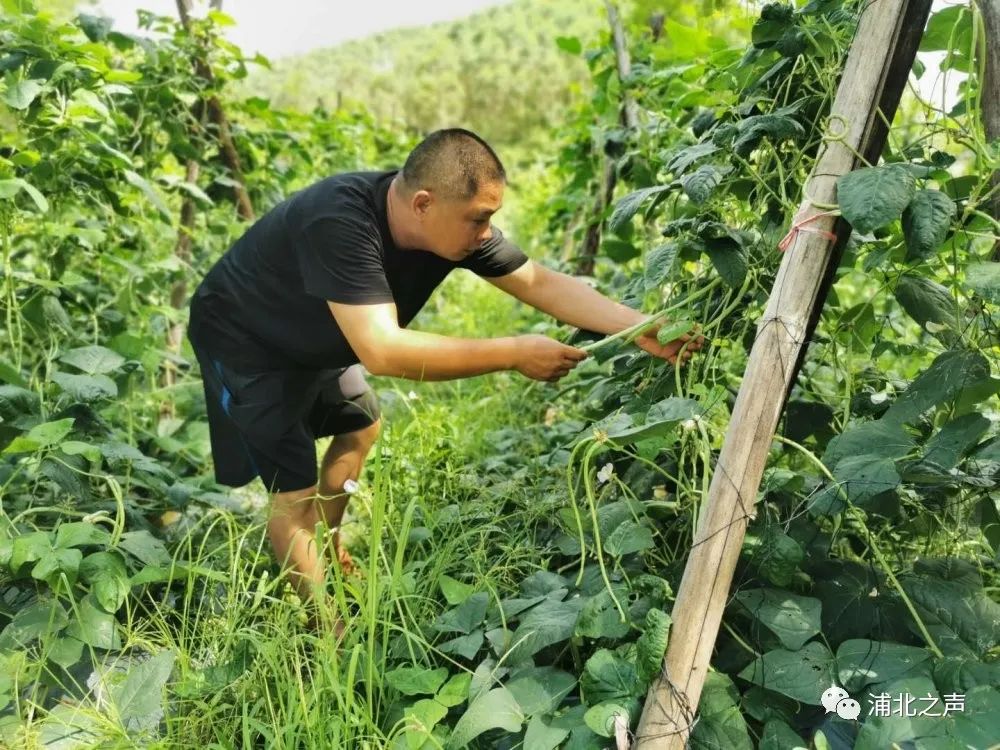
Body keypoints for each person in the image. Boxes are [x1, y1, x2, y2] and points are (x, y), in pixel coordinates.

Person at [186, 128, 700, 630]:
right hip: (248, 340)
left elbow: (542, 283)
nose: (486, 233)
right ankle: (329, 633)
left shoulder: (453, 233)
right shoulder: (339, 221)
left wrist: (641, 327)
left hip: (315, 333)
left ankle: (329, 542)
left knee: (360, 423)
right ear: (424, 204)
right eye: (479, 219)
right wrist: (514, 352)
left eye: (490, 219)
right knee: (292, 495)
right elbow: (383, 350)